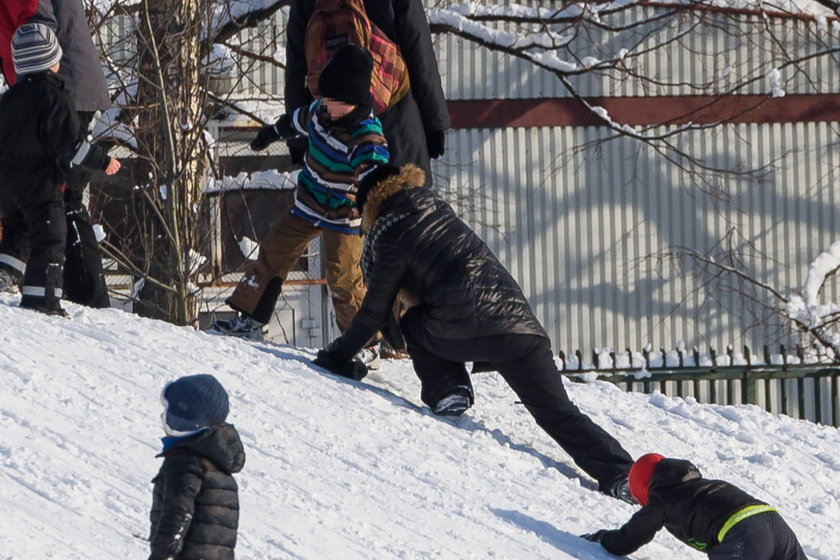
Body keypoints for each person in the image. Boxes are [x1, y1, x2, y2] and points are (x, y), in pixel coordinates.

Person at [311, 162, 635, 500]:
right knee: (558, 413)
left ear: (371, 206)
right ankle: (620, 474)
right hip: (522, 330)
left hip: (462, 325)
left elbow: (374, 312)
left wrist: (336, 356)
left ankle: (448, 388)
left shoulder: (391, 234)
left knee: (414, 322)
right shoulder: (440, 211)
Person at [211, 44, 388, 367]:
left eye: (337, 103)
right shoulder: (319, 112)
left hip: (345, 216)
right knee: (274, 250)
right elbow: (296, 120)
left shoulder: (366, 134)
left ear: (354, 101)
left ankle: (366, 343)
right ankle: (250, 318)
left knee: (343, 277)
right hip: (308, 203)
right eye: (326, 99)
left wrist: (375, 194)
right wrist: (271, 132)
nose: (328, 107)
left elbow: (374, 169)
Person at [0, 23, 120, 315]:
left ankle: (3, 275)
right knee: (51, 238)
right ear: (51, 61)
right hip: (41, 184)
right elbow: (72, 146)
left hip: (7, 185)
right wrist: (103, 161)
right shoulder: (55, 100)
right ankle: (43, 298)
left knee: (18, 229)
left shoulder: (8, 100)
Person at [285, 0, 450, 186]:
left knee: (340, 206)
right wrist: (434, 122)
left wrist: (297, 139)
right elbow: (417, 47)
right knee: (406, 204)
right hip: (395, 121)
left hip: (332, 130)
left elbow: (296, 66)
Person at [581, 453, 808, 559]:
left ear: (643, 486)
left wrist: (603, 538)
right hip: (773, 521)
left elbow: (629, 539)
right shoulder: (702, 484)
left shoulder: (663, 497)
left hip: (743, 533)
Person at [150, 374, 246, 560]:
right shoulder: (219, 465)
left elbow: (177, 516)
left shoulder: (184, 462)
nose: (162, 417)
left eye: (167, 412)